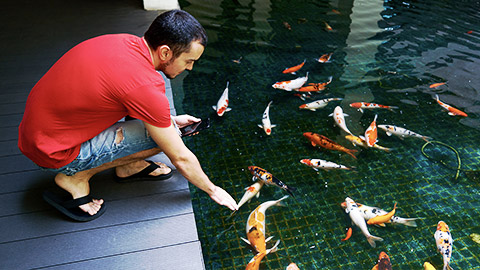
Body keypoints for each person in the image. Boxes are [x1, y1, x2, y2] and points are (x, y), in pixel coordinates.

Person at [18, 9, 238, 221]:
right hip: (53, 154)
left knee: (167, 127)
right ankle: (75, 177)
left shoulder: (123, 42)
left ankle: (129, 166)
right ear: (164, 52)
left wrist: (167, 120)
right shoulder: (145, 85)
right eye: (188, 61)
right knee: (171, 137)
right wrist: (213, 190)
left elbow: (126, 93)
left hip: (38, 133)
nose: (189, 68)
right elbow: (180, 157)